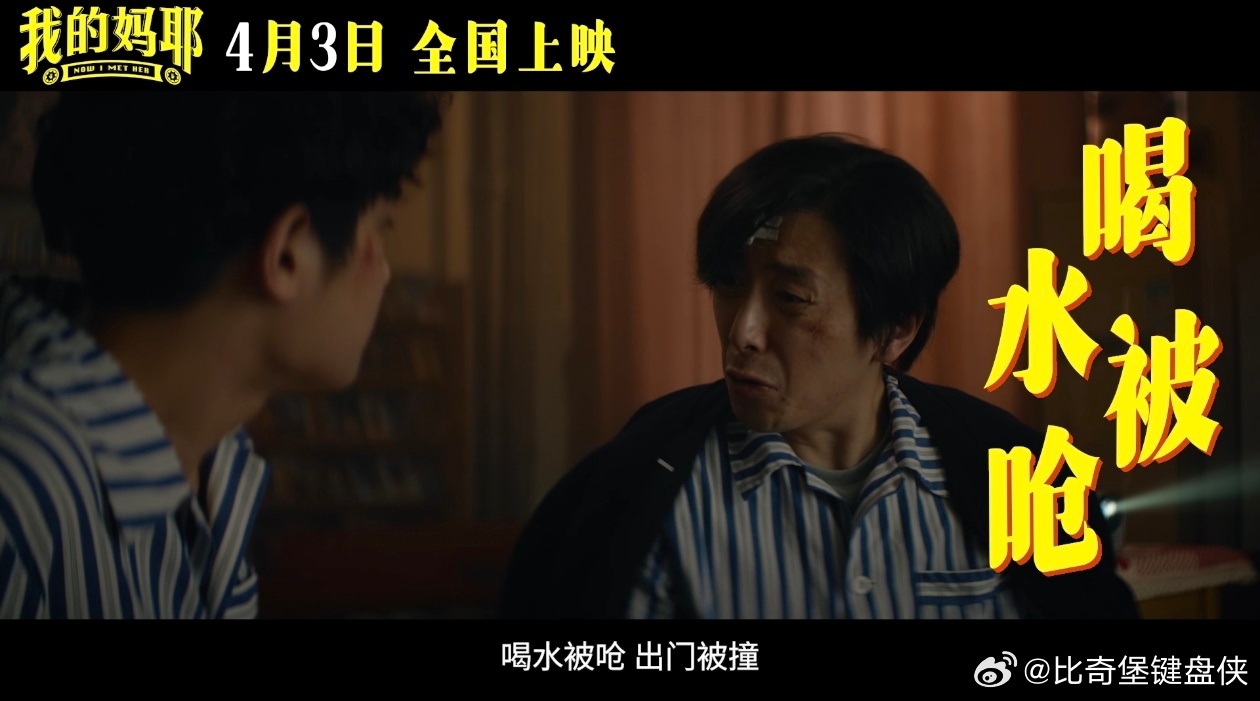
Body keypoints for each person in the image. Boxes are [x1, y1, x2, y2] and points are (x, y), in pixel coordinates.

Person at [499, 133, 1139, 619]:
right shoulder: (639, 484)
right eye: (728, 285)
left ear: (896, 329)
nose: (743, 331)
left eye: (791, 299)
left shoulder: (1018, 477)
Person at [0, 91, 447, 618]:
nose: (385, 272)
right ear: (289, 253)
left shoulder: (216, 461)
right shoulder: (21, 492)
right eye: (380, 230)